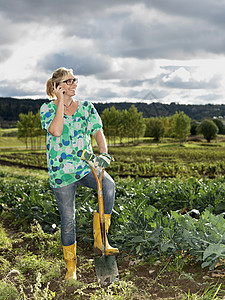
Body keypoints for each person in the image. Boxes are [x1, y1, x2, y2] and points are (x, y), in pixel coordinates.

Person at [40, 67, 119, 281]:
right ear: (57, 87)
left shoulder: (86, 108)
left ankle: (101, 240)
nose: (74, 84)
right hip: (61, 173)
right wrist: (59, 102)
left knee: (109, 185)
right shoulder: (47, 109)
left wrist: (104, 155)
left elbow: (98, 133)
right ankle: (71, 268)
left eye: (75, 80)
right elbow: (56, 131)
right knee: (68, 220)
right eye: (69, 81)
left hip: (85, 167)